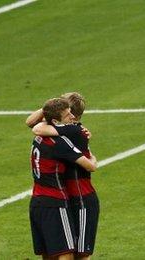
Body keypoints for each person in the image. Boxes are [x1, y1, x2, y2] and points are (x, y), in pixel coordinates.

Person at [28, 93, 99, 259]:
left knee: (77, 254)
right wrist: (93, 159)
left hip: (80, 200)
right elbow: (33, 124)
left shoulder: (71, 132)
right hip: (66, 199)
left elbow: (33, 125)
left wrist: (51, 107)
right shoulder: (62, 136)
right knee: (63, 253)